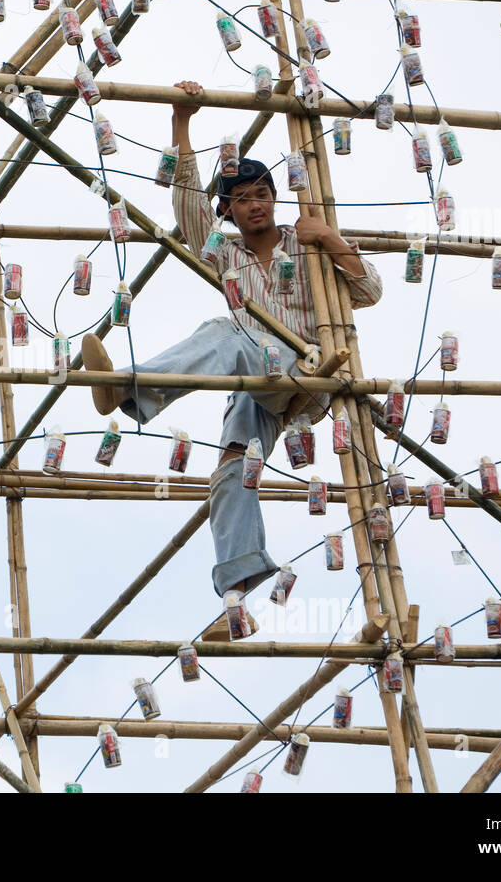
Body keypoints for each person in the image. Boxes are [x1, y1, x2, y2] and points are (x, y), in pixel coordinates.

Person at [81, 80, 383, 641]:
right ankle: (236, 600)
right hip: (257, 384)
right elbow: (188, 208)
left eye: (263, 193)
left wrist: (333, 240)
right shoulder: (225, 252)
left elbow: (370, 292)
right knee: (230, 472)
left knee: (224, 331)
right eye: (243, 198)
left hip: (305, 370)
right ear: (231, 210)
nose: (257, 204)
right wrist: (181, 123)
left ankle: (127, 390)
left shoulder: (305, 246)